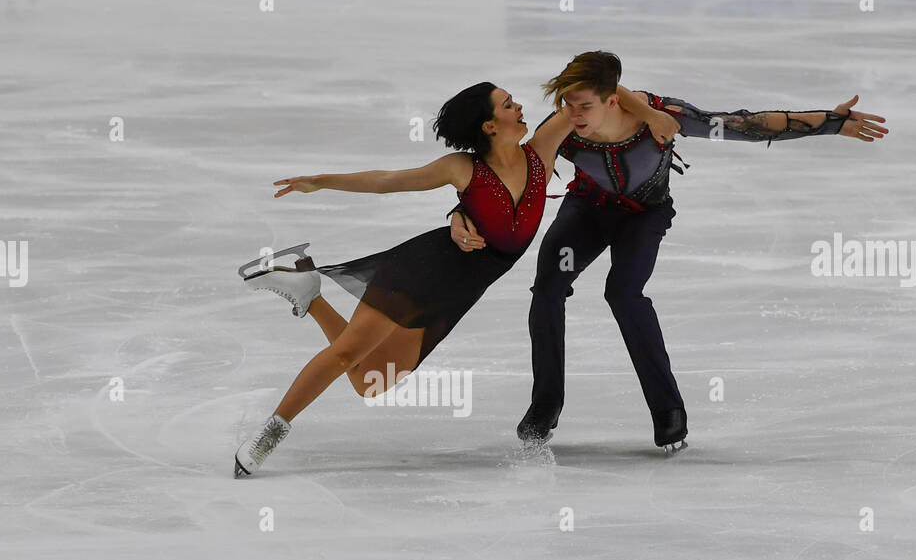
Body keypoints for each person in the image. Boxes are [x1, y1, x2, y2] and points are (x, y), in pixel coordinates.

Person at [232, 80, 681, 476]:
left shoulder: (540, 152)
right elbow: (391, 180)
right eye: (508, 105)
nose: (520, 107)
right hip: (424, 270)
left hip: (458, 293)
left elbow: (596, 84)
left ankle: (309, 294)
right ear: (489, 126)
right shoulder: (462, 168)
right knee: (348, 353)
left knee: (371, 379)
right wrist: (323, 181)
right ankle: (269, 435)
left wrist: (650, 116)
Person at [452, 51, 888, 452]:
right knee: (549, 286)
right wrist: (461, 214)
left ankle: (667, 410)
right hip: (588, 210)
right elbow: (513, 182)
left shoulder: (661, 117)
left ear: (611, 101)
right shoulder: (561, 128)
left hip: (644, 215)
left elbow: (745, 125)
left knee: (624, 293)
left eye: (585, 105)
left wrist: (831, 121)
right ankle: (545, 404)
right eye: (569, 103)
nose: (574, 114)